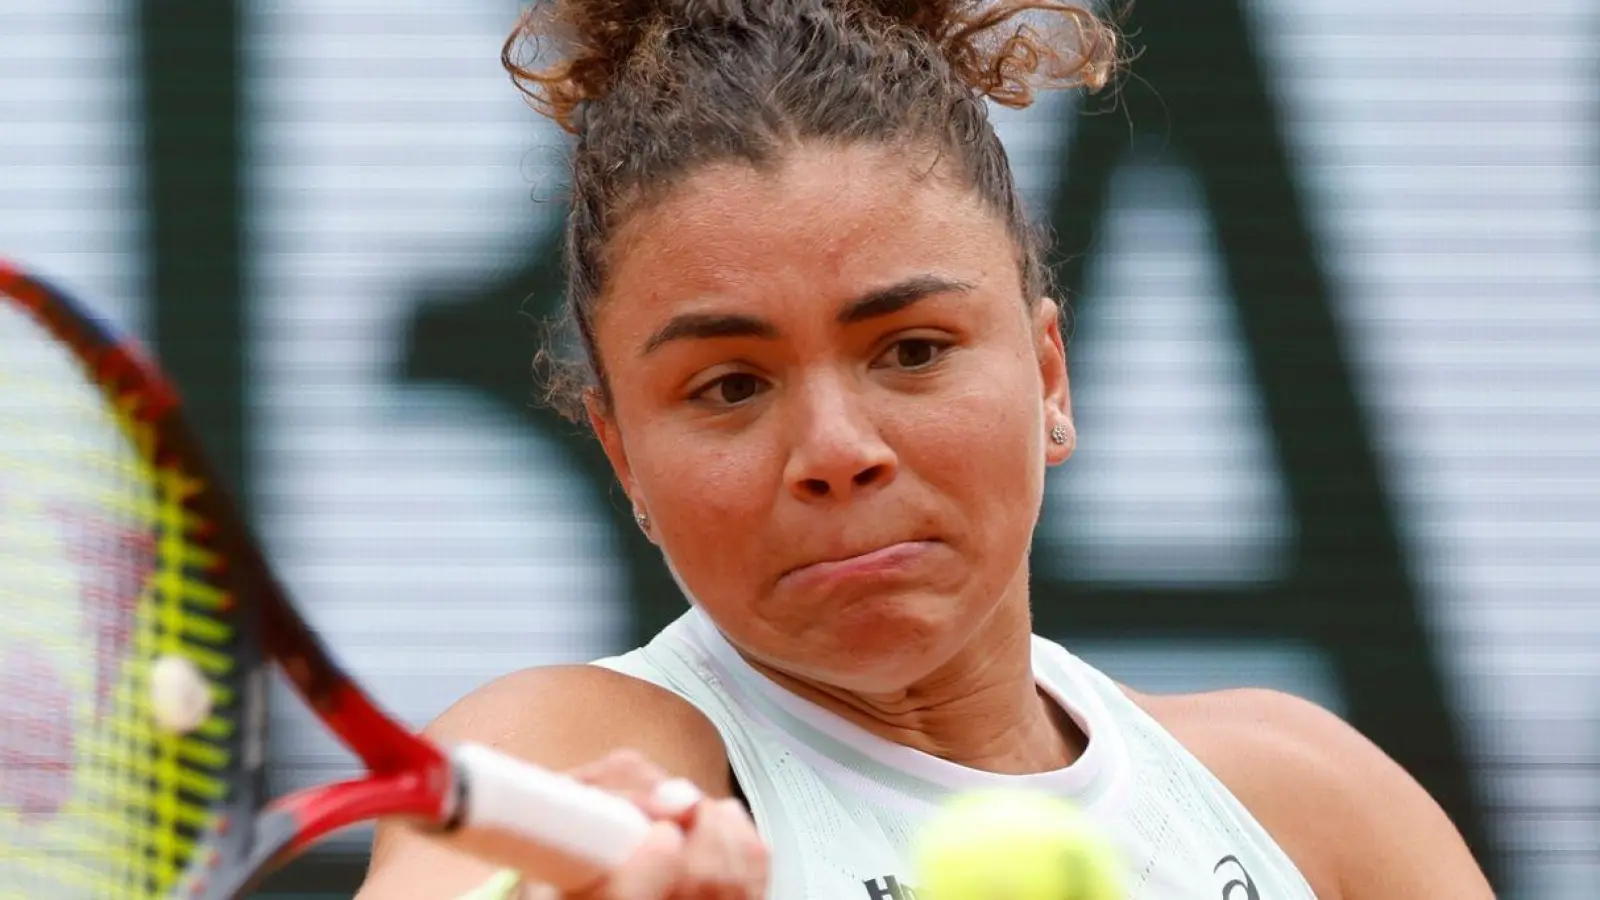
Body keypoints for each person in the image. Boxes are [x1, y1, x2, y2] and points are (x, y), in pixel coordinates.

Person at [355, 1, 1496, 898]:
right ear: (623, 461)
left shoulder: (1314, 800)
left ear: (1048, 373)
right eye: (731, 385)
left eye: (909, 350)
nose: (836, 450)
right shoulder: (576, 754)